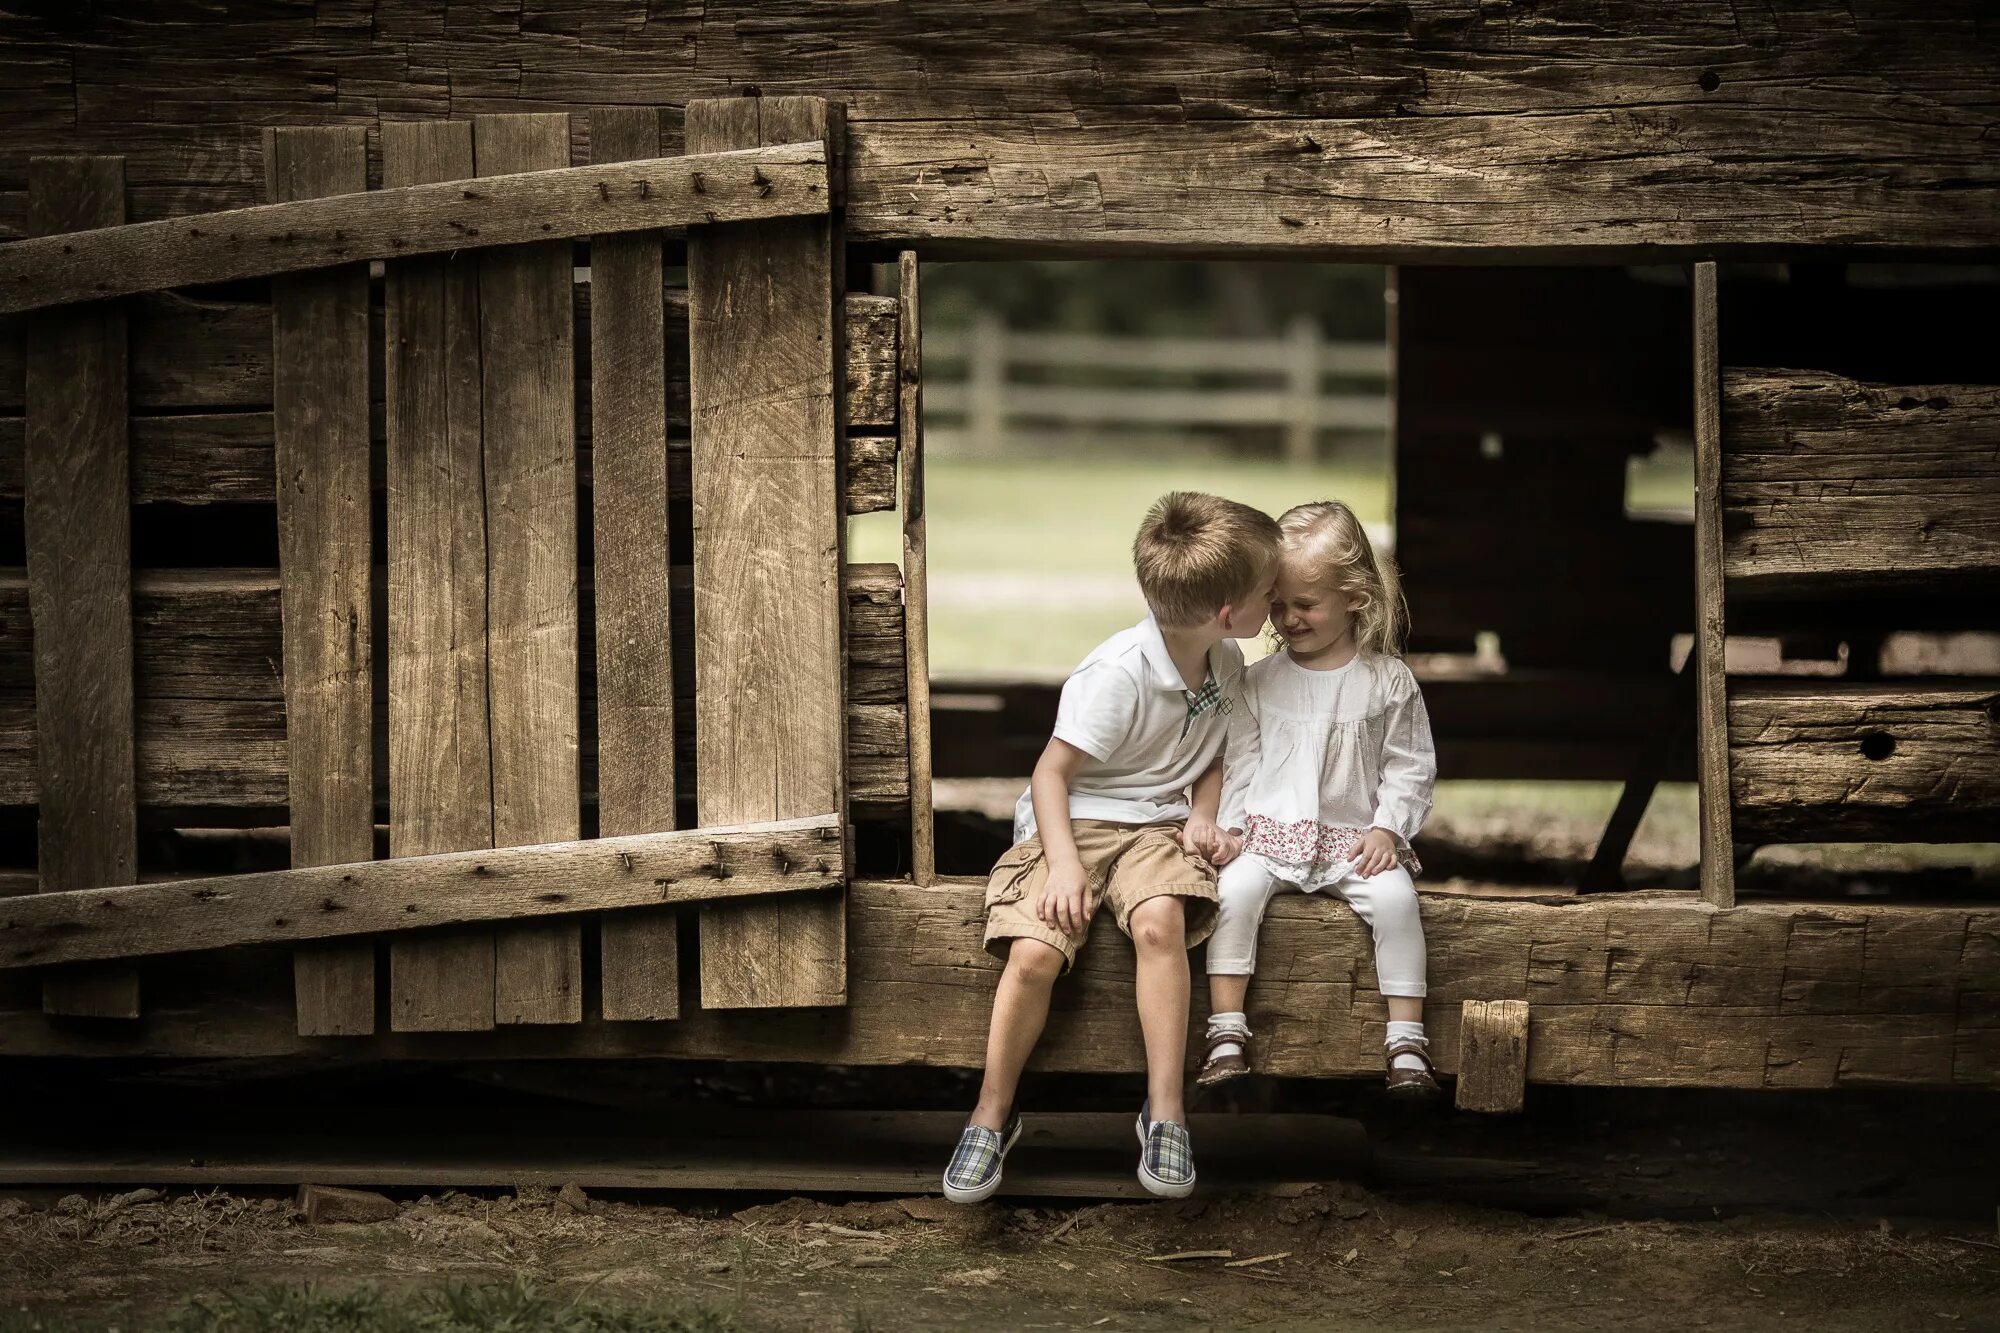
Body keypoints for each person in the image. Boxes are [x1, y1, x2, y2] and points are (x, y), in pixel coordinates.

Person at [941, 491, 1281, 1203]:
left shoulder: (1226, 661)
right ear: (1227, 611)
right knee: (1036, 949)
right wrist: (1063, 863)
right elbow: (1049, 774)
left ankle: (1165, 1113)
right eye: (1268, 591)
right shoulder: (1118, 673)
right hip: (1076, 822)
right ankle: (991, 1114)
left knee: (1161, 922)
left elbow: (1215, 753)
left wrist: (1205, 814)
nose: (1276, 600)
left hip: (1155, 829)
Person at [1198, 500, 1439, 1096]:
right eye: (1277, 604)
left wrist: (1389, 829)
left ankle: (1406, 1041)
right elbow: (1240, 761)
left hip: (1353, 841)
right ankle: (1226, 1033)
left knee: (1397, 900)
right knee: (1233, 893)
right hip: (1268, 831)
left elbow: (1409, 767)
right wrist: (1230, 829)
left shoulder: (1387, 680)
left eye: (1305, 604)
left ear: (1355, 596)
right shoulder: (1260, 680)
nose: (1288, 618)